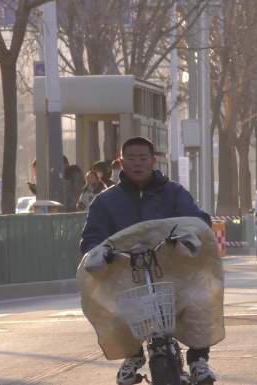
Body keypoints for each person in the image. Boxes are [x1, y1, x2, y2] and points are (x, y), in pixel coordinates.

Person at [79, 137, 215, 385]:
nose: (137, 163)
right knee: (107, 305)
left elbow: (196, 220)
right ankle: (132, 355)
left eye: (143, 158)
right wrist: (100, 253)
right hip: (125, 276)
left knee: (200, 296)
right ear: (121, 162)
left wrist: (190, 234)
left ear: (153, 161)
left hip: (174, 272)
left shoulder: (174, 193)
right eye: (130, 158)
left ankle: (198, 359)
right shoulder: (105, 202)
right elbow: (91, 239)